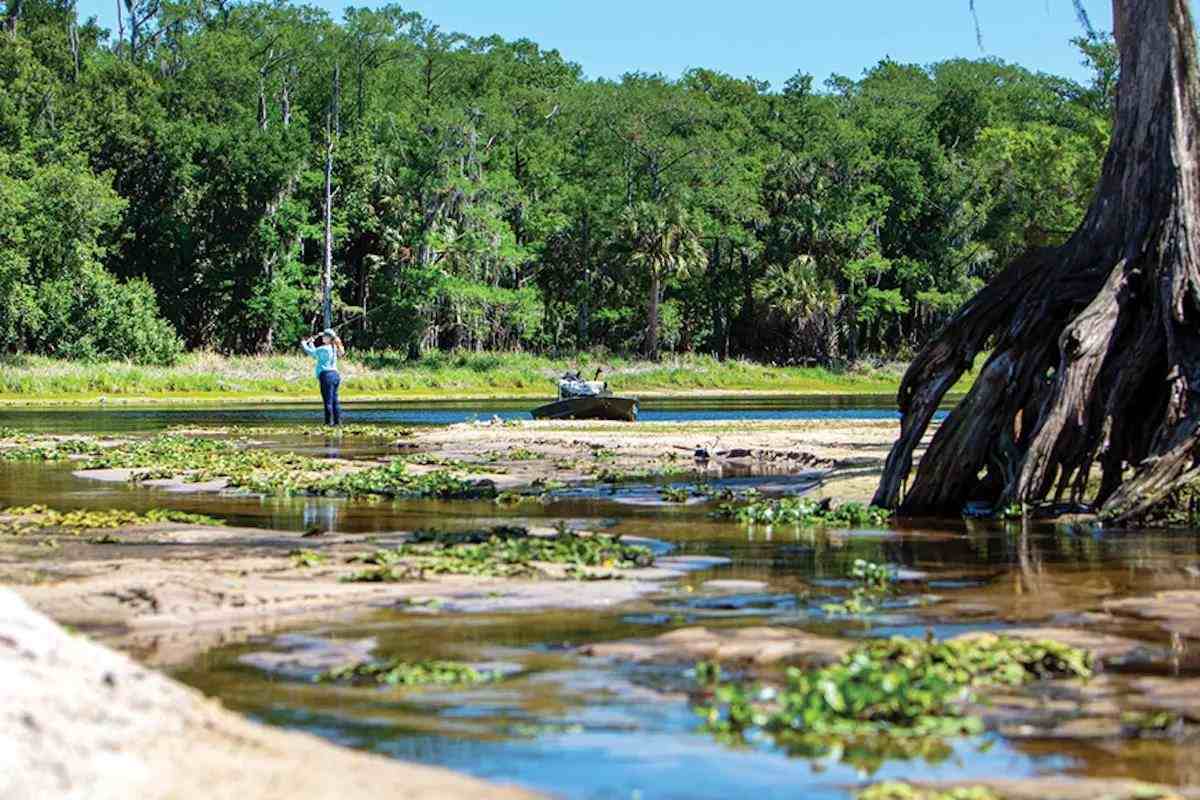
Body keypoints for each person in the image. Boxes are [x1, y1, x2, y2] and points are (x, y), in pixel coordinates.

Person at [301, 329, 344, 426]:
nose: (322, 337)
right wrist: (312, 343)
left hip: (326, 376)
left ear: (329, 338)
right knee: (335, 400)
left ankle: (328, 423)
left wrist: (304, 343)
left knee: (327, 401)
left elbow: (311, 352)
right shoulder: (334, 348)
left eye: (324, 336)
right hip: (335, 375)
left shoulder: (324, 348)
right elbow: (316, 355)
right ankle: (338, 423)